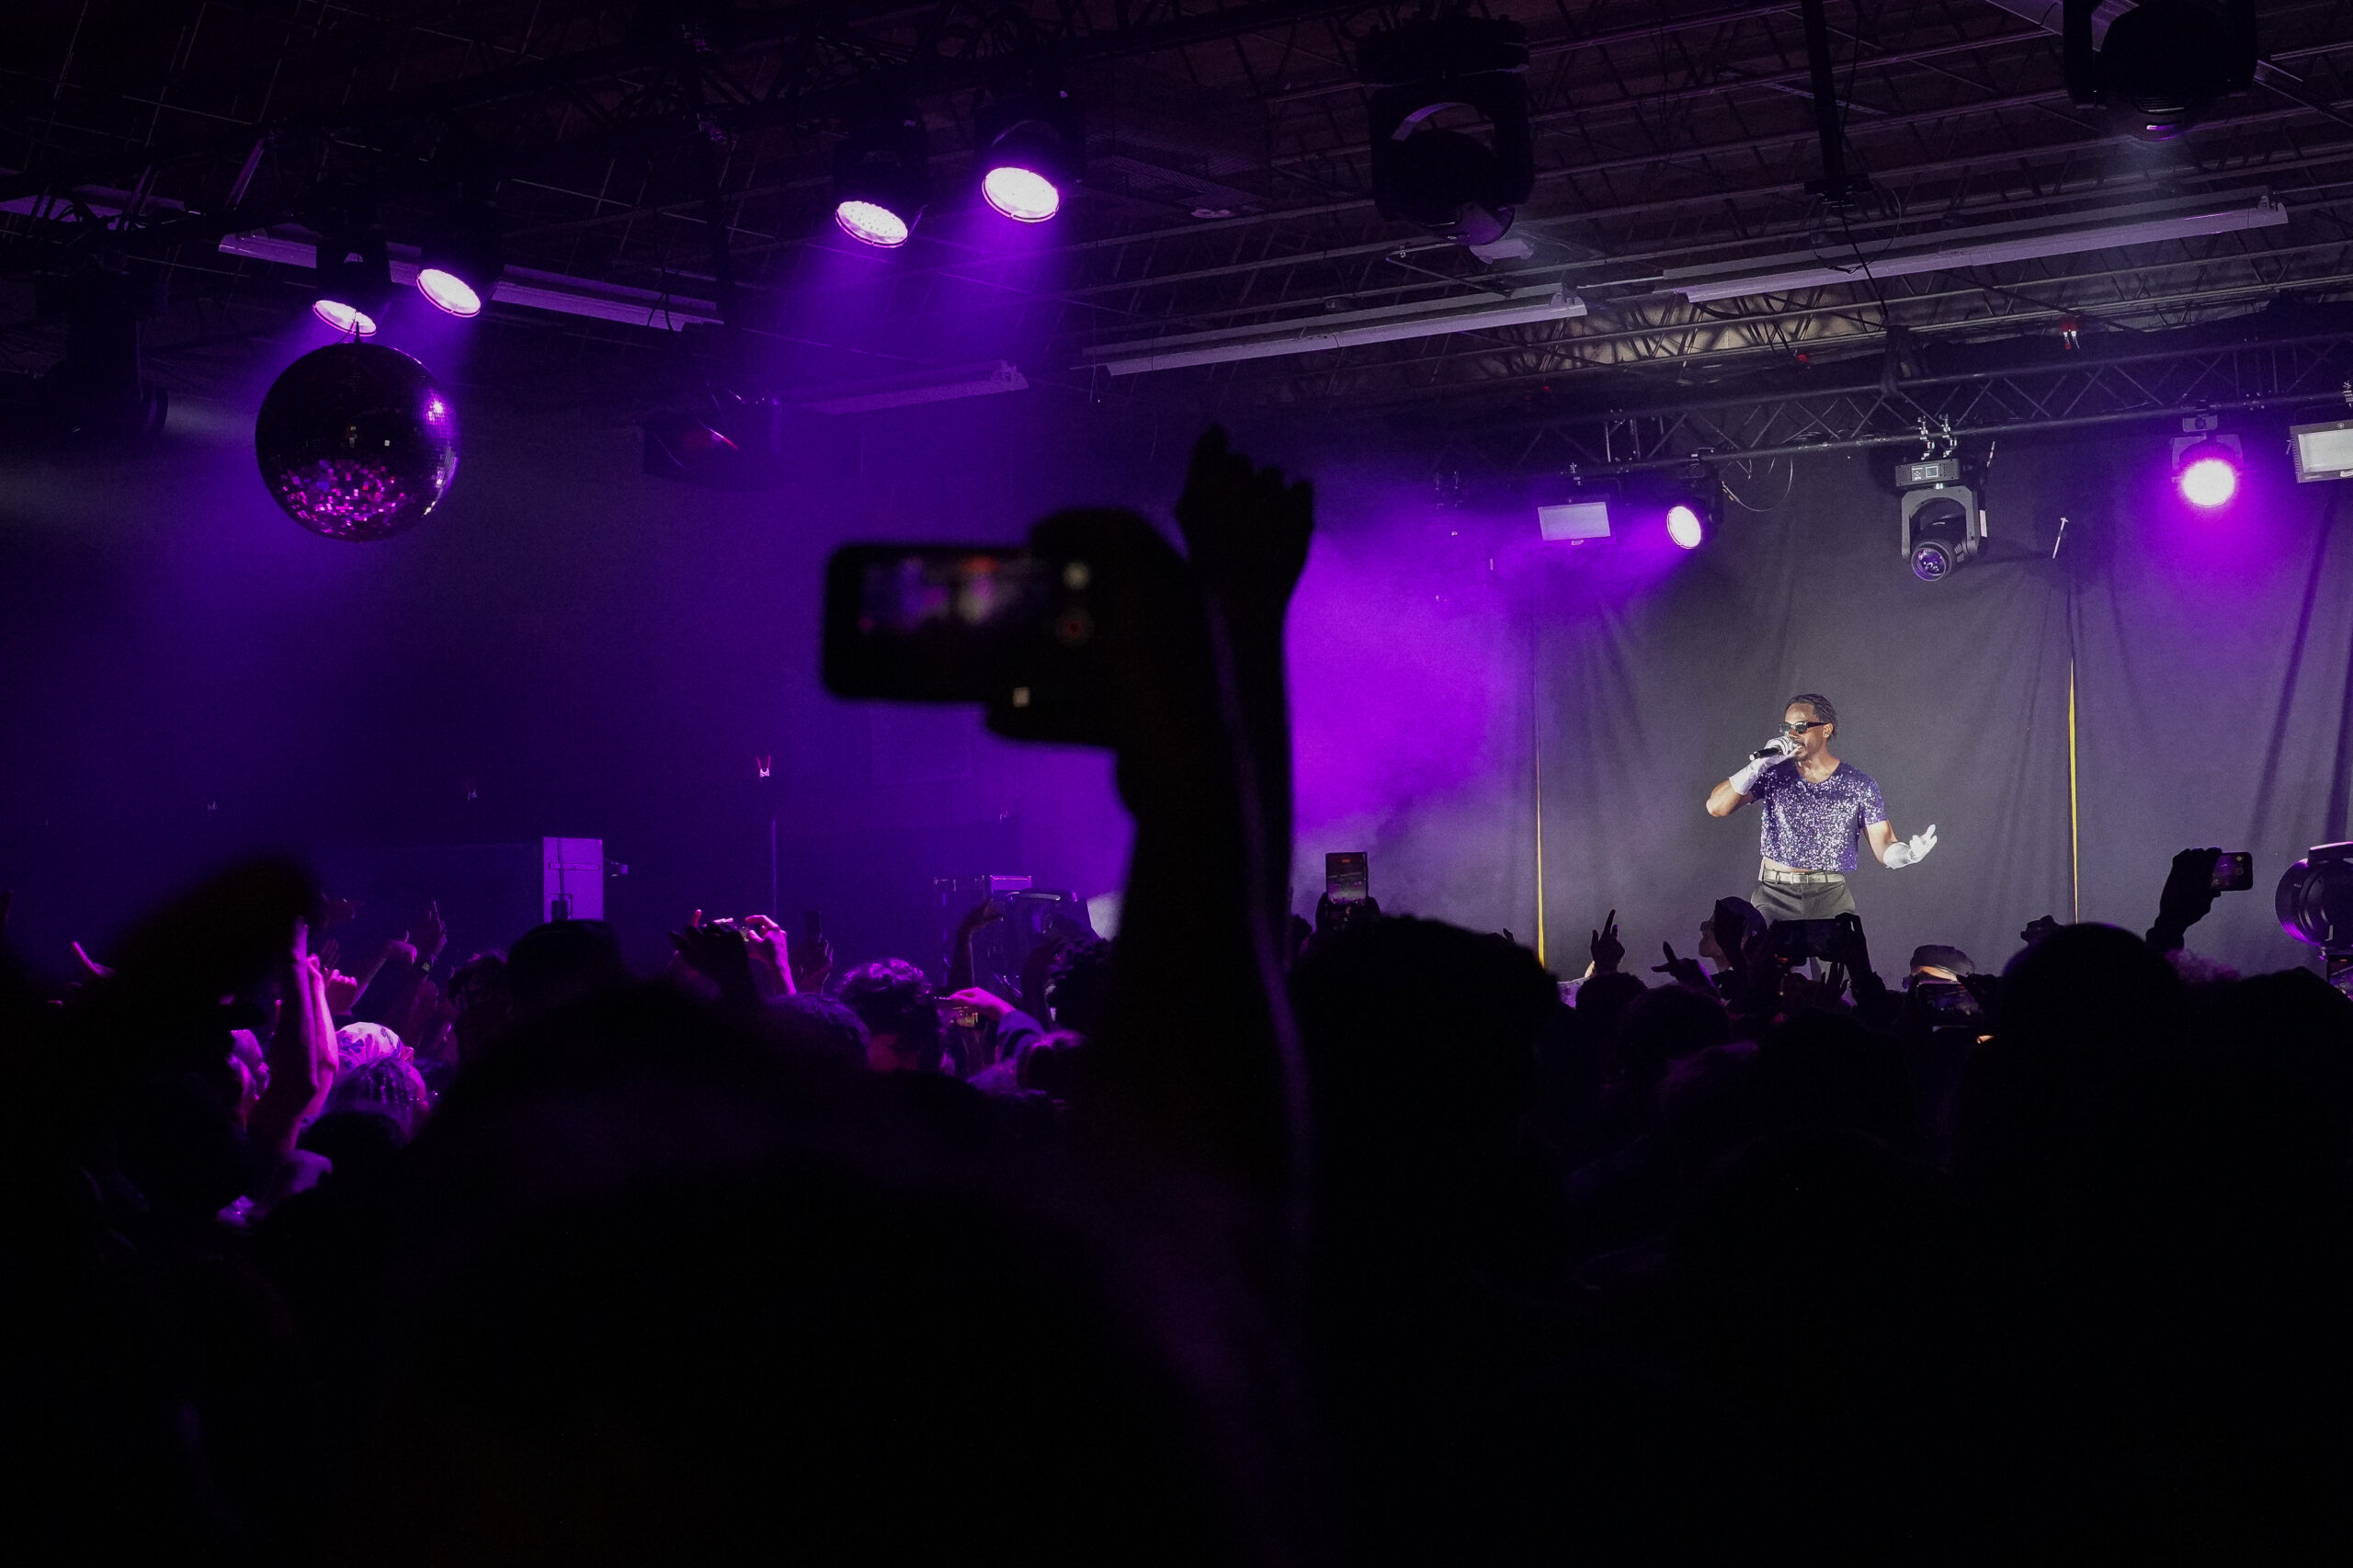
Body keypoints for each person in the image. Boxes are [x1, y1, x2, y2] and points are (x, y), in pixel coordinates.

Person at [1705, 694, 1938, 926]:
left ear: (1826, 730)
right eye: (1787, 728)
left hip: (1829, 897)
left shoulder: (1858, 784)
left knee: (1842, 949)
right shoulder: (1774, 773)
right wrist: (1757, 766)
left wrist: (1908, 855)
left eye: (1800, 727)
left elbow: (1884, 846)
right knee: (1761, 948)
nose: (1792, 735)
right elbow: (1716, 807)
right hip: (1773, 895)